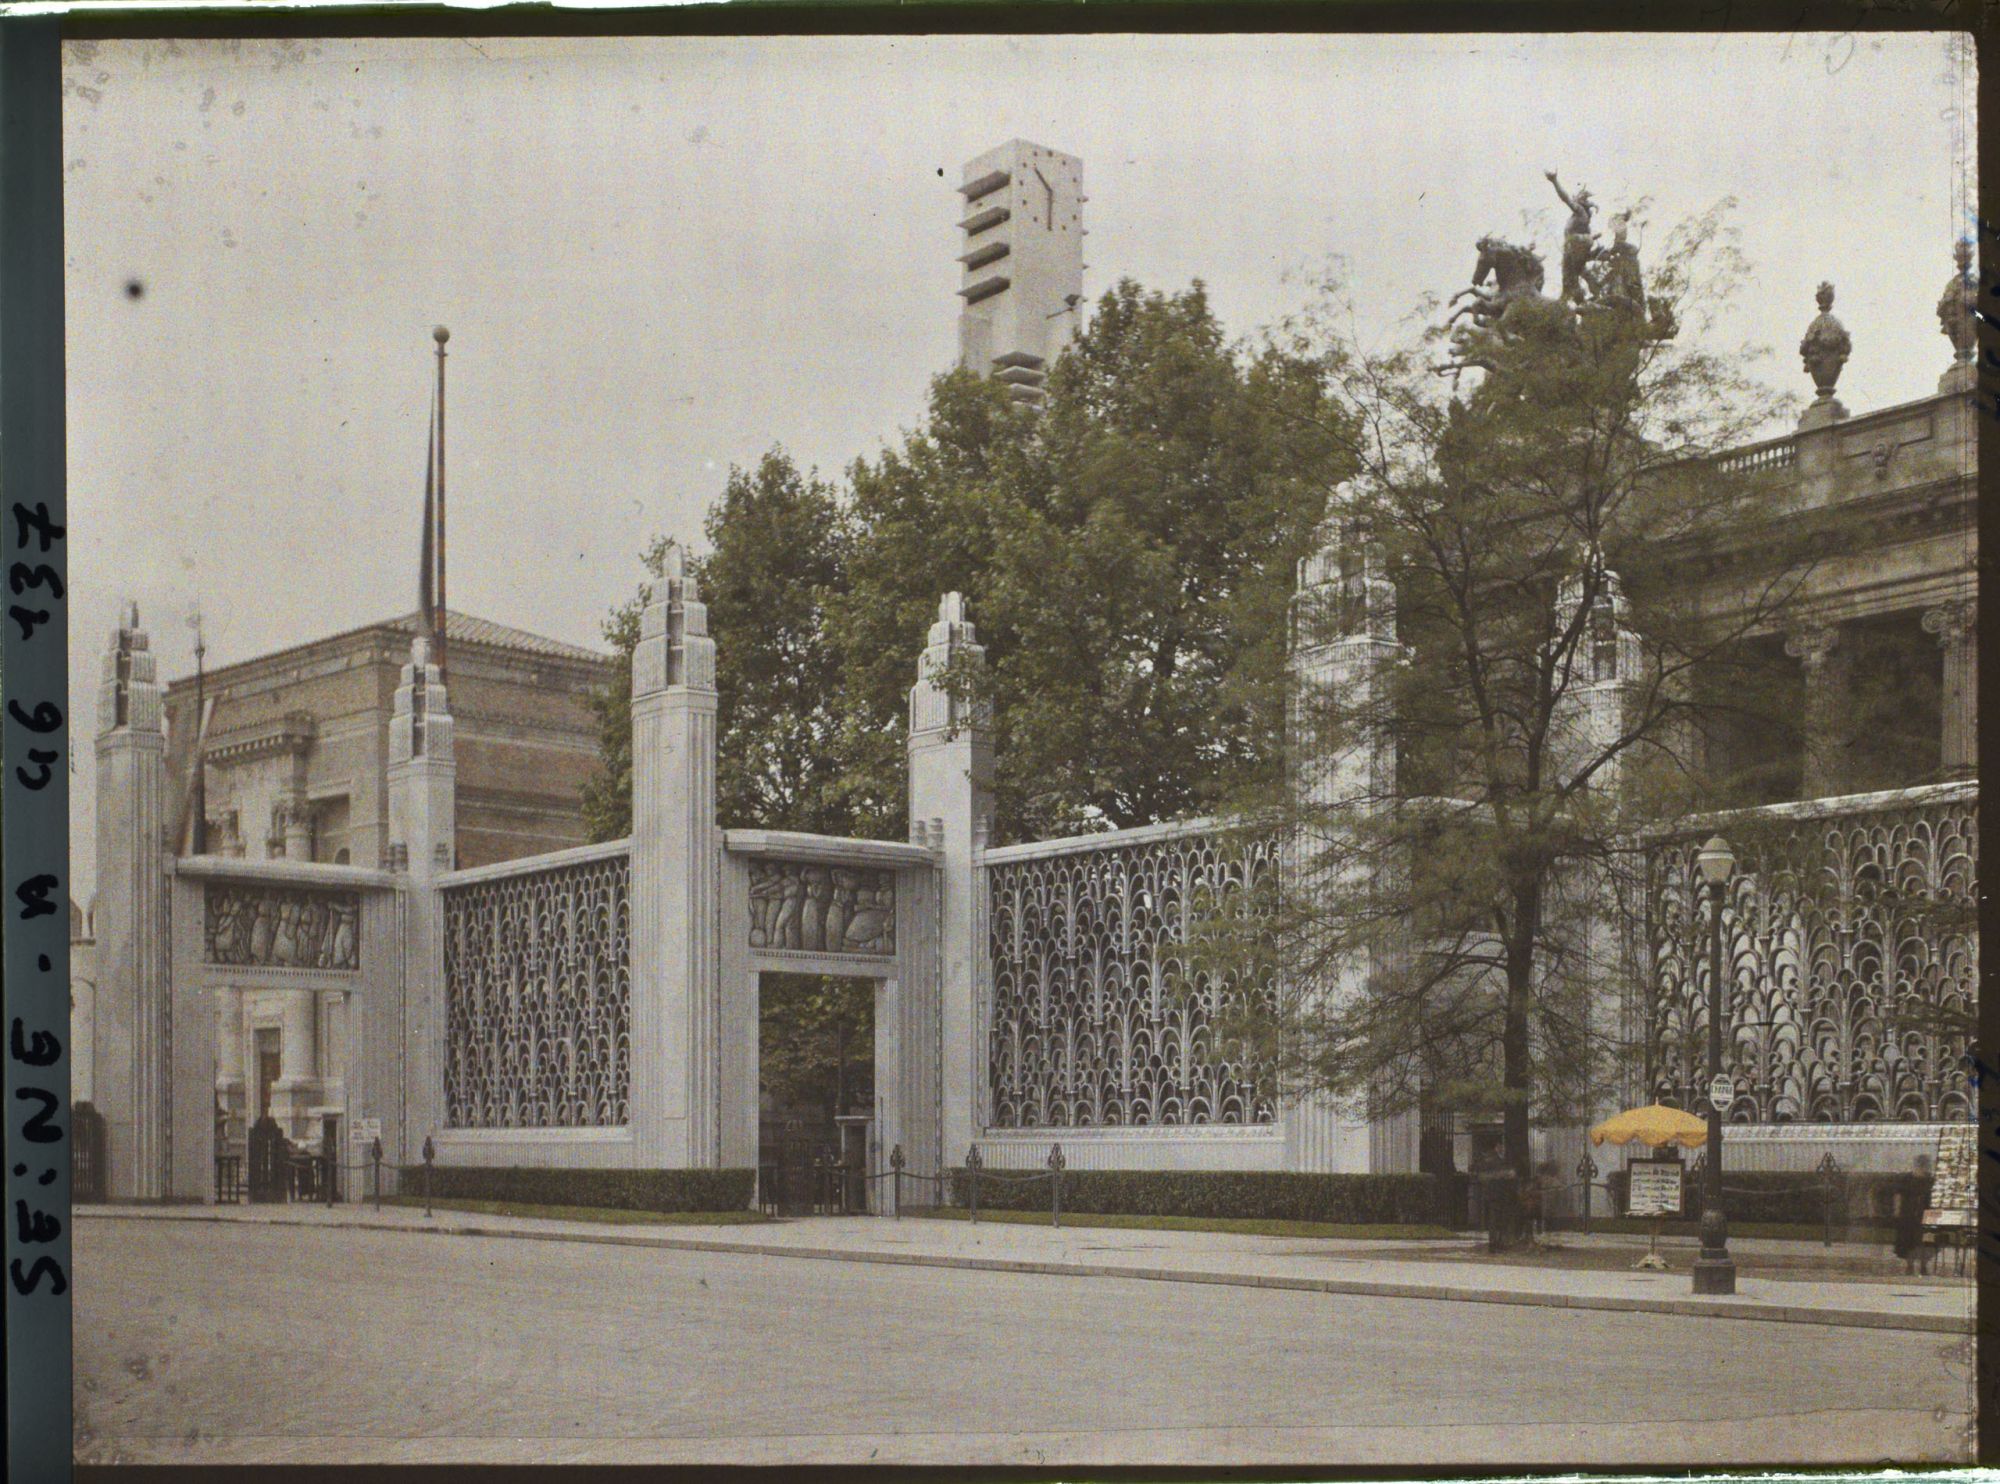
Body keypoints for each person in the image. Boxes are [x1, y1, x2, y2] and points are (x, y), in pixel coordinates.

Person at [1893, 1153, 1934, 1276]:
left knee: (1923, 1240)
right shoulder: (1908, 1179)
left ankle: (1920, 1265)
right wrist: (1897, 1210)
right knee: (1909, 1239)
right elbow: (1899, 1195)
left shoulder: (1929, 1180)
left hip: (1921, 1214)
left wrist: (1897, 1210)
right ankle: (1913, 1265)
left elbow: (1898, 1196)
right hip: (1910, 1213)